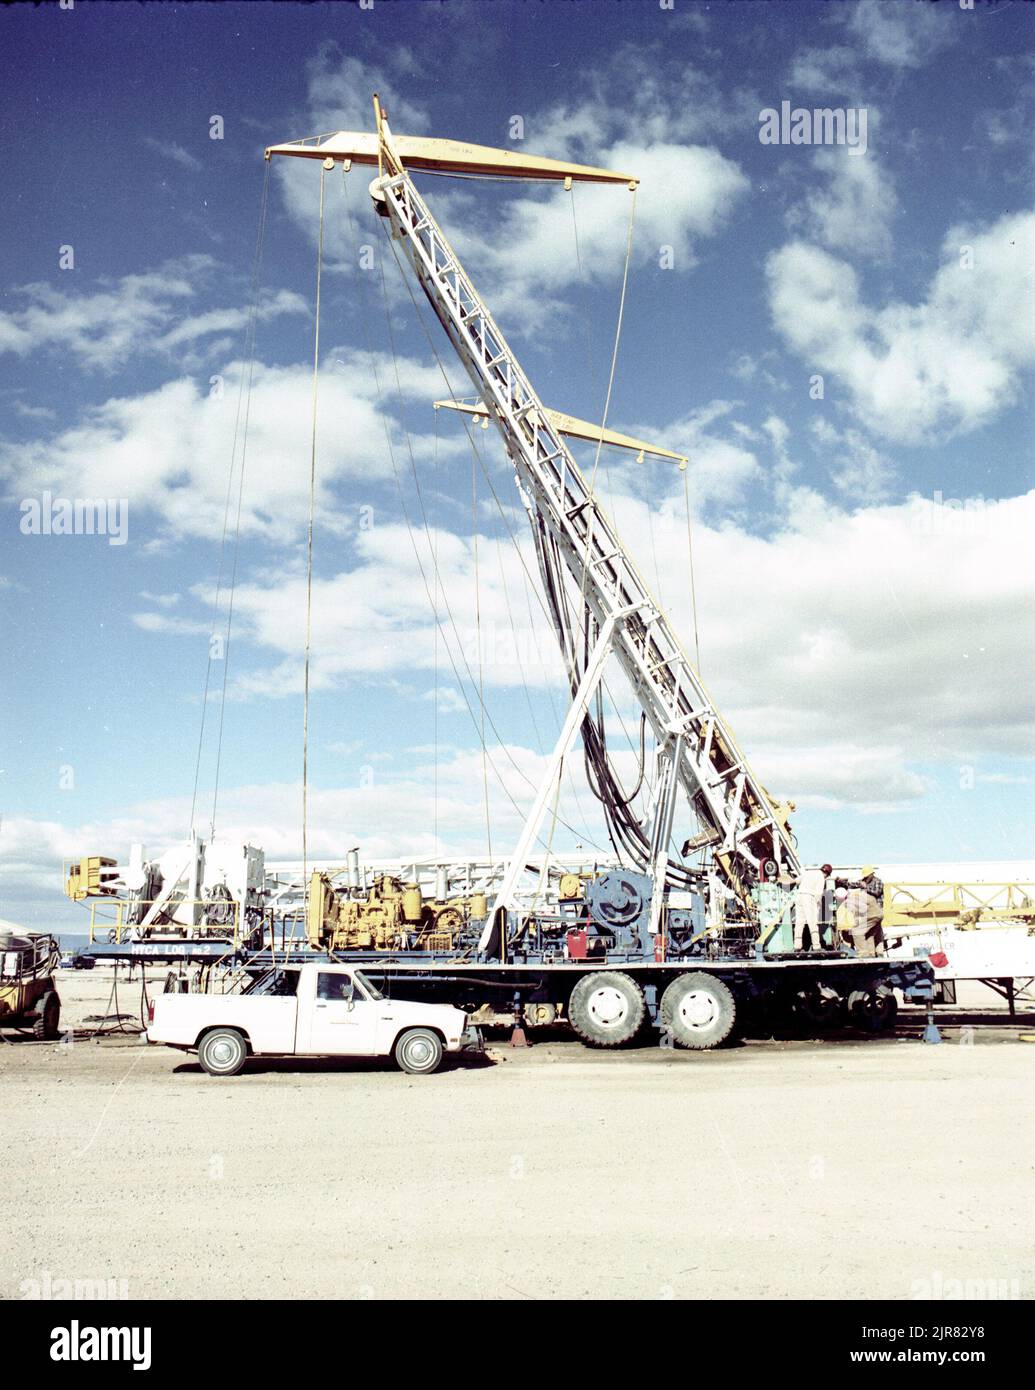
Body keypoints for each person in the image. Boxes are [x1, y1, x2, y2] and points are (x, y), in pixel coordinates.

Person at [794, 863, 832, 951]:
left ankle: (797, 946)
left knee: (799, 922)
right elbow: (818, 894)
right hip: (808, 897)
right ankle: (816, 946)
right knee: (812, 922)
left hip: (799, 896)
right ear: (827, 874)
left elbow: (796, 881)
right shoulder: (821, 877)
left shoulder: (809, 872)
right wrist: (817, 906)